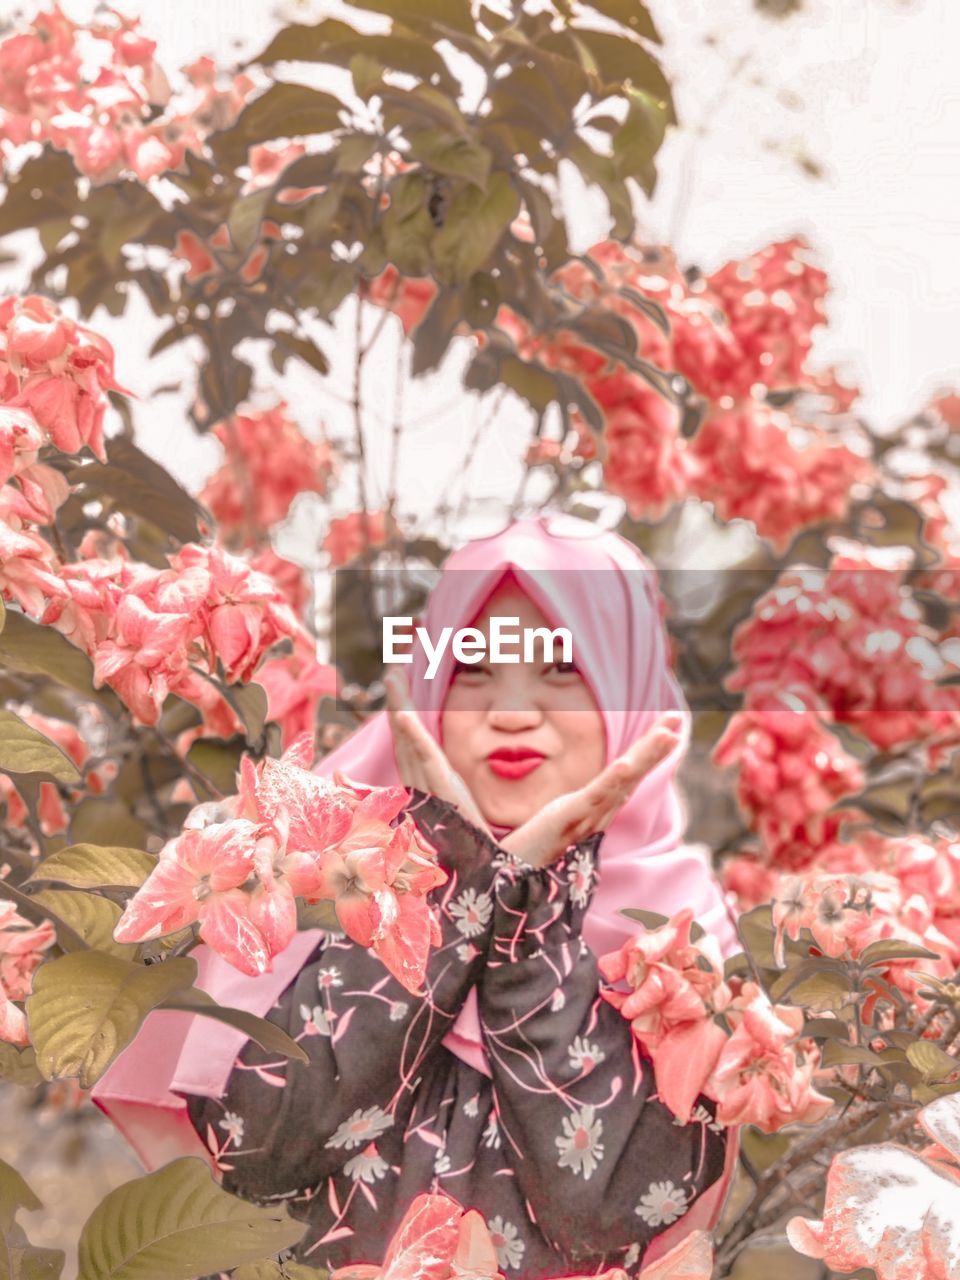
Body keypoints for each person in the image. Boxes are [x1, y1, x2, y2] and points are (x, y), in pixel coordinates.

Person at [93, 515, 741, 1278]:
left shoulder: (678, 931)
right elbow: (258, 1152)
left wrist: (525, 908)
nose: (511, 711)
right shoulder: (312, 868)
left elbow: (610, 1210)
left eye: (563, 668)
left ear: (627, 692)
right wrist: (453, 869)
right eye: (473, 666)